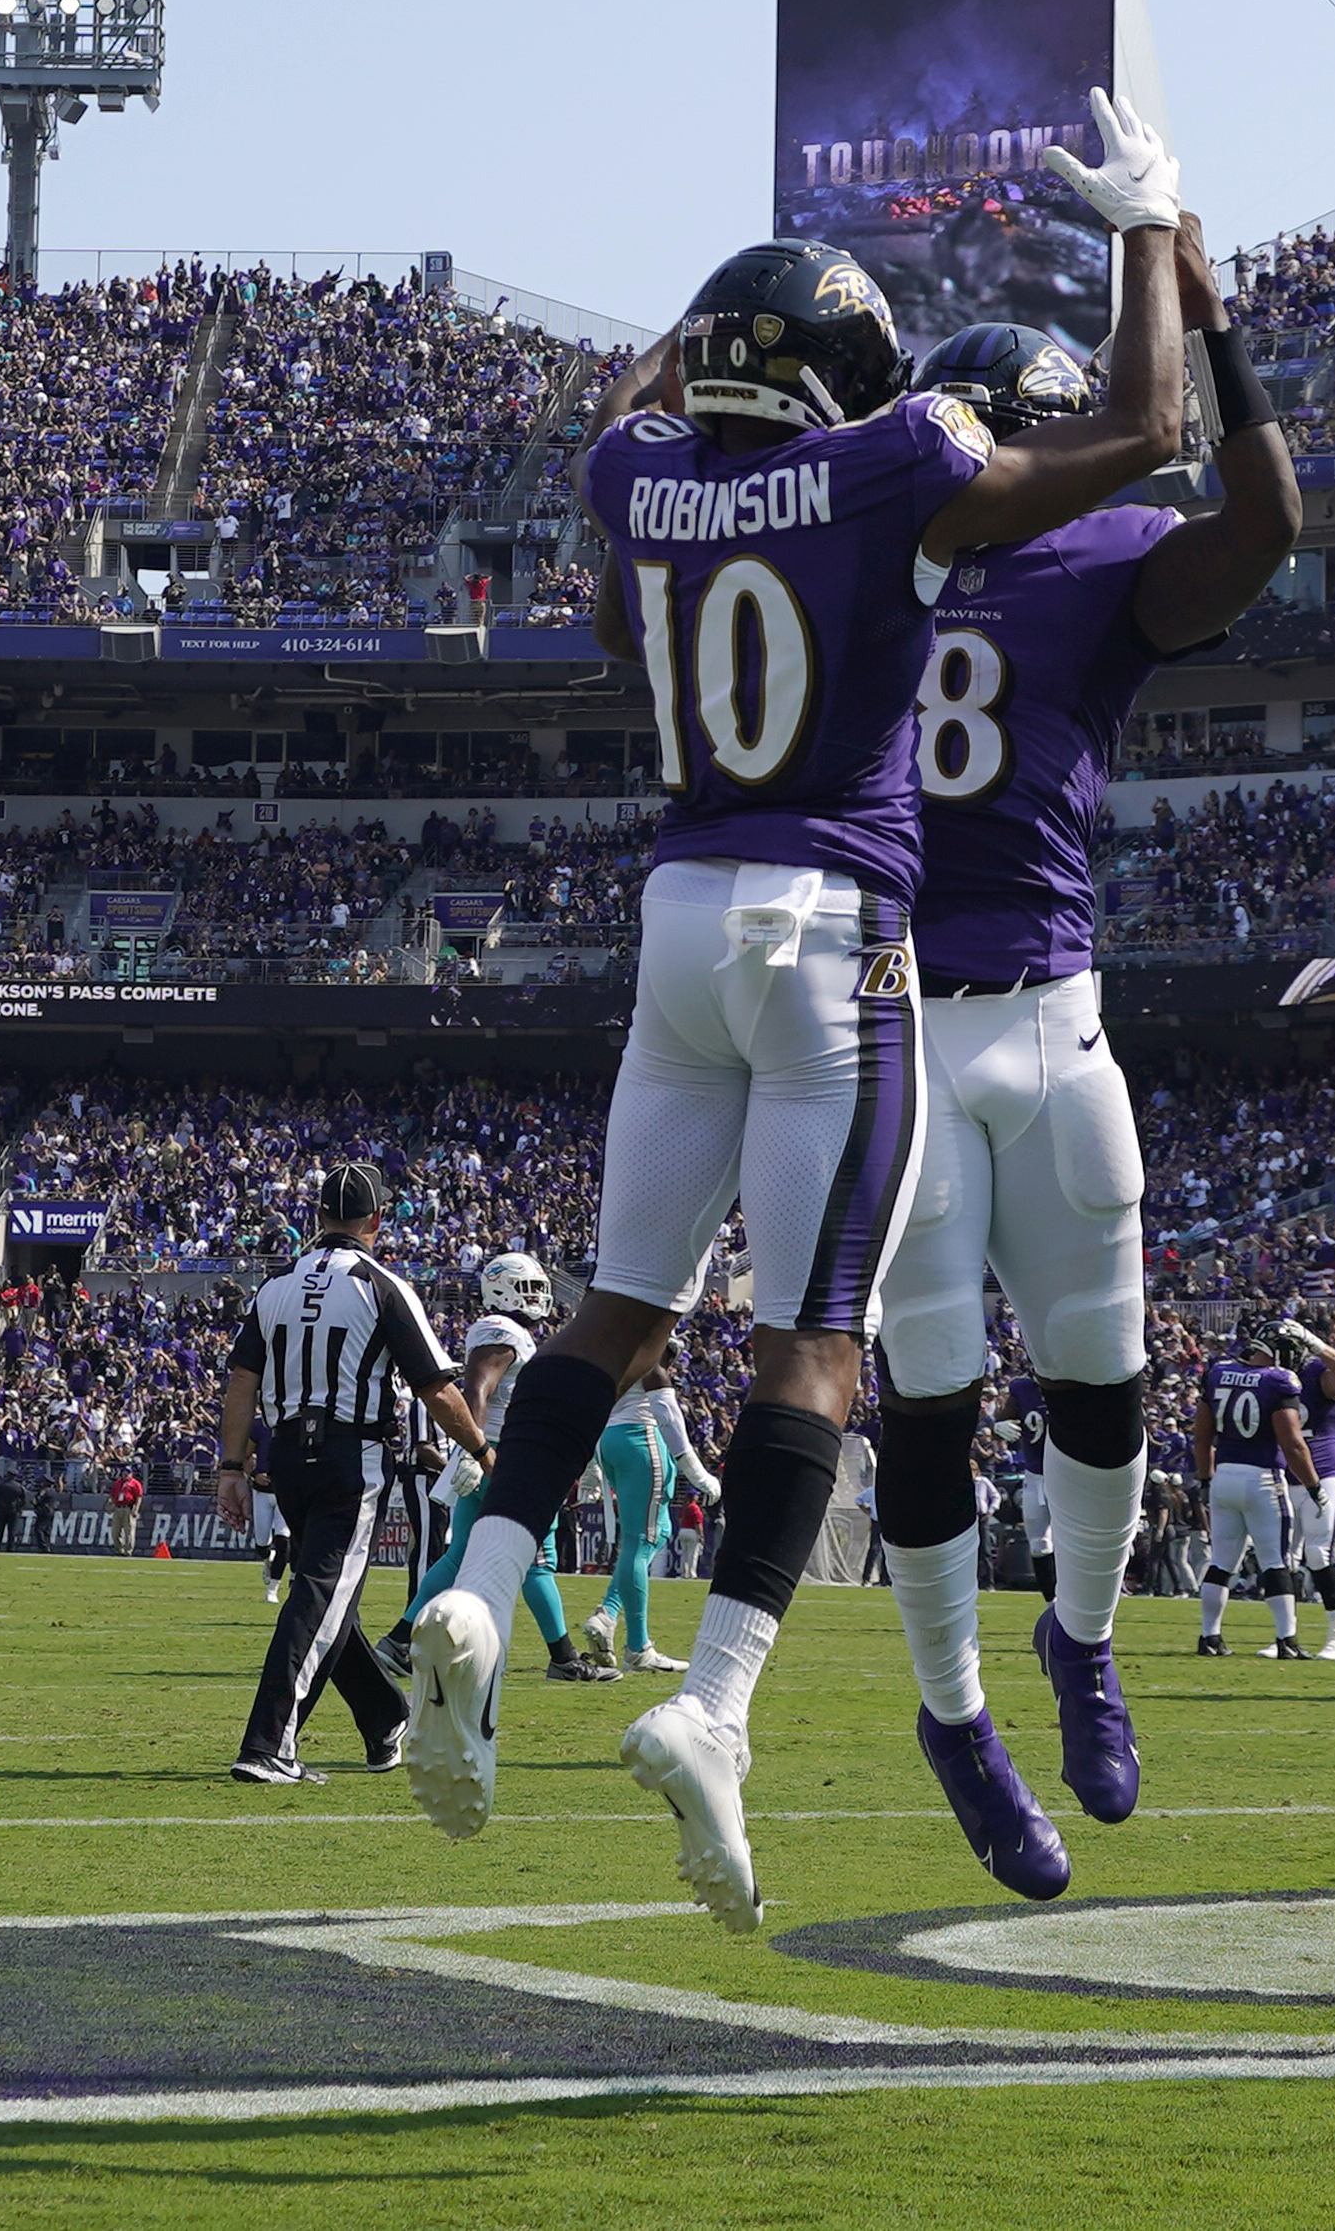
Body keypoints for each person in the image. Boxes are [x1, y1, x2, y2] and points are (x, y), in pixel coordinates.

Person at [400, 98, 1191, 1935]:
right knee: (812, 1344)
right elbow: (1149, 430)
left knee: (617, 1306)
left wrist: (705, 335)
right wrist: (1150, 229)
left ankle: (483, 1578)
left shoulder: (632, 480)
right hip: (838, 923)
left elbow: (640, 441)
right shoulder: (897, 459)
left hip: (673, 913)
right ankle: (718, 1702)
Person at [870, 227, 1298, 1867]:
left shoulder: (1105, 551)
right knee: (929, 1391)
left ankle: (1083, 1637)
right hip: (896, 1023)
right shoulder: (866, 559)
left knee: (1102, 1381)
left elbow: (1264, 525)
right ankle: (952, 1707)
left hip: (1051, 1020)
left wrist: (1213, 316)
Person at [219, 1161, 494, 1785]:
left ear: (317, 1219)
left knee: (326, 1592)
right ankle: (269, 1745)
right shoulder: (382, 1286)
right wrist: (481, 1450)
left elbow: (241, 1382)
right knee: (321, 1592)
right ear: (376, 1221)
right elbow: (435, 1388)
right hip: (352, 1456)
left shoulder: (277, 1285)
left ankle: (384, 1717)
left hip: (288, 1454)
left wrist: (232, 1466)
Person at [394, 1256, 596, 1684]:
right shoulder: (499, 1331)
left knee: (461, 1553)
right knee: (536, 1556)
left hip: (493, 1448)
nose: (537, 1297)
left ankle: (396, 1641)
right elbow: (478, 1389)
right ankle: (563, 1655)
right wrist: (474, 1448)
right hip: (503, 1454)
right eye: (526, 1287)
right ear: (499, 1287)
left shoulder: (514, 1333)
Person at [1192, 1315, 1316, 1662]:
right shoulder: (1279, 1380)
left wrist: (1205, 1479)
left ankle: (1209, 1636)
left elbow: (1201, 1438)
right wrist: (1314, 1485)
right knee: (1275, 1561)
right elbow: (1293, 1444)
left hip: (1224, 1477)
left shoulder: (1217, 1372)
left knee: (1221, 1562)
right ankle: (1286, 1639)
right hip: (1263, 1478)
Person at [589, 1364, 712, 1676]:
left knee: (657, 1533)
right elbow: (667, 1414)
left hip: (610, 1437)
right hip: (639, 1436)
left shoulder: (612, 1349)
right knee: (640, 1541)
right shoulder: (648, 1355)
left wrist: (591, 1463)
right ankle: (638, 1647)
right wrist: (696, 1472)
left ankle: (608, 1613)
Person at [1280, 1315, 1335, 1659]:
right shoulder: (1270, 1377)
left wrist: (1315, 1343)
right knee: (1281, 1558)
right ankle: (1286, 1637)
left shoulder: (1316, 1372)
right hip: (1284, 1473)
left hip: (1323, 1469)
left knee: (1318, 1553)